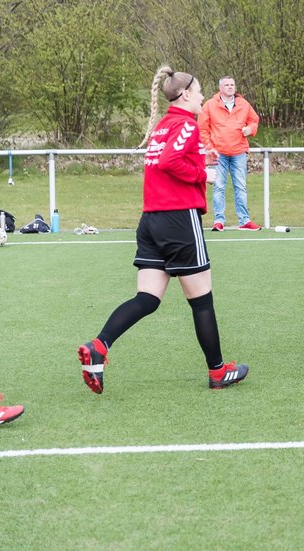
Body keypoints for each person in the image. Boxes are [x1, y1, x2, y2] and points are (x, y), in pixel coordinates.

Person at [78, 65, 248, 393]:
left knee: (147, 299)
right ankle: (217, 372)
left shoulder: (162, 127)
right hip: (178, 219)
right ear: (184, 95)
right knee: (202, 301)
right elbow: (171, 161)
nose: (202, 97)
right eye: (199, 92)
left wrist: (199, 165)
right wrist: (203, 176)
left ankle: (99, 347)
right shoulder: (184, 124)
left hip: (151, 220)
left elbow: (167, 160)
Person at [198, 75, 261, 231]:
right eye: (226, 85)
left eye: (232, 84)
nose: (230, 87)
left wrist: (250, 129)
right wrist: (210, 148)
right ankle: (219, 221)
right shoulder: (209, 105)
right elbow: (202, 129)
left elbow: (254, 120)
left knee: (241, 186)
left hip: (239, 151)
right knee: (219, 186)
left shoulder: (244, 104)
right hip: (218, 153)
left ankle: (244, 221)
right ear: (220, 88)